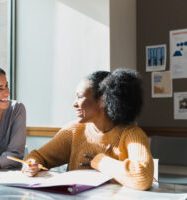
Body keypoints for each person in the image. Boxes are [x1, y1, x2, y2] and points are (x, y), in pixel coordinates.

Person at [22, 69, 154, 190]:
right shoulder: (74, 130)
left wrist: (100, 161)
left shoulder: (131, 134)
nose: (74, 103)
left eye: (80, 96)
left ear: (102, 100)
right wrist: (31, 164)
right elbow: (39, 156)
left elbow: (142, 177)